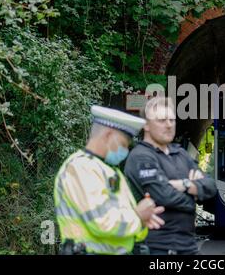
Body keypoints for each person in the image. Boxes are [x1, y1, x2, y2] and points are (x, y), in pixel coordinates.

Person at [54, 105, 165, 255]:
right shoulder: (80, 167)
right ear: (108, 135)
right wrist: (138, 216)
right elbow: (102, 222)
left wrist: (142, 221)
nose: (125, 150)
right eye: (123, 144)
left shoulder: (112, 172)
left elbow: (130, 227)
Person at [124, 97, 217, 255]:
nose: (169, 125)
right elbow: (164, 196)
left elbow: (212, 188)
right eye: (161, 120)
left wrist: (184, 185)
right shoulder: (140, 156)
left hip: (188, 246)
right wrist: (194, 193)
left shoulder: (180, 153)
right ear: (146, 124)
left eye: (172, 120)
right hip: (156, 248)